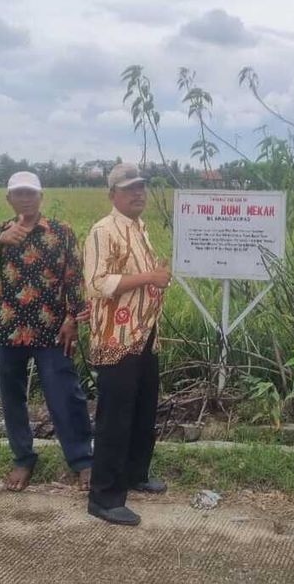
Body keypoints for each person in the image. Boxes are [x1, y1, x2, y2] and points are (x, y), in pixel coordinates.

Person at [0, 171, 93, 492]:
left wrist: (73, 318)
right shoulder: (1, 231)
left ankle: (82, 461)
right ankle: (23, 458)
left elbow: (75, 277)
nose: (26, 199)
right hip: (7, 329)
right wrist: (0, 240)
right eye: (19, 194)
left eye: (31, 193)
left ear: (41, 197)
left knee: (65, 394)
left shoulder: (61, 232)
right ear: (9, 199)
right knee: (12, 398)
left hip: (52, 328)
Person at [83, 163, 172, 526]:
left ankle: (135, 474)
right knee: (115, 418)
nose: (138, 193)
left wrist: (156, 279)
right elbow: (97, 283)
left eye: (141, 187)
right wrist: (149, 277)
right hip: (116, 339)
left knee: (142, 410)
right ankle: (103, 496)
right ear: (112, 195)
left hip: (144, 334)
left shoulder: (139, 228)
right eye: (130, 188)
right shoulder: (103, 231)